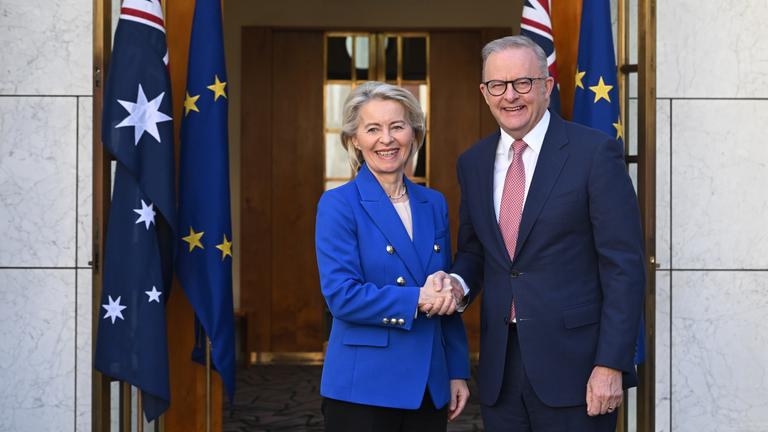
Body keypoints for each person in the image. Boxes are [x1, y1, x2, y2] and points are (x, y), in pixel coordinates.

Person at [437, 35, 646, 431]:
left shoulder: (594, 154)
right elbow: (475, 252)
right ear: (484, 92)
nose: (509, 96)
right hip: (502, 371)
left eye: (523, 83)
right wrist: (456, 284)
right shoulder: (473, 163)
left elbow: (624, 267)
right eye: (497, 85)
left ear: (546, 86)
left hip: (579, 370)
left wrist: (611, 363)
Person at [315, 81, 470, 432]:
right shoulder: (339, 205)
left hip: (429, 384)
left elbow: (443, 291)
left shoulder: (434, 204)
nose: (386, 139)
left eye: (397, 126)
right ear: (355, 139)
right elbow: (342, 296)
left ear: (414, 134)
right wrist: (418, 297)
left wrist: (457, 369)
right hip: (365, 388)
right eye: (373, 129)